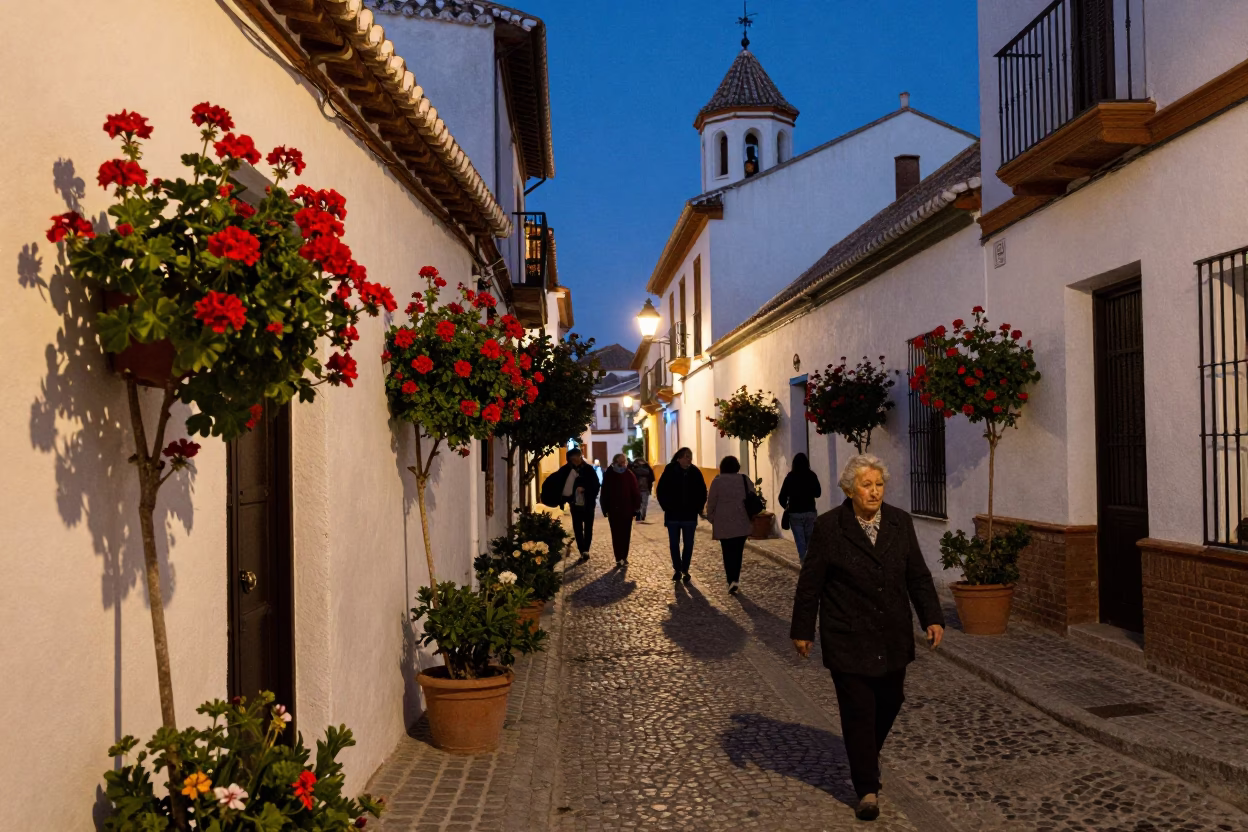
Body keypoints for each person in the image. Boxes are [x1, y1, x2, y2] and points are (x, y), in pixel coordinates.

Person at [789, 454, 945, 822]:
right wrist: (802, 629)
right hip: (847, 634)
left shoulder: (899, 522)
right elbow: (810, 583)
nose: (874, 492)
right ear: (849, 489)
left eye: (879, 485)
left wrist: (932, 617)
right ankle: (866, 789)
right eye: (866, 485)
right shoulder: (830, 528)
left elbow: (918, 576)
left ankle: (864, 753)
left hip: (891, 633)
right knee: (859, 712)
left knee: (891, 699)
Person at [655, 447, 707, 584]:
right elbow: (660, 490)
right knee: (674, 544)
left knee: (689, 544)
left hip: (689, 516)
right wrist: (666, 507)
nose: (688, 459)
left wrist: (698, 507)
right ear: (678, 458)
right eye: (685, 456)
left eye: (689, 456)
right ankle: (677, 569)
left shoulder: (695, 472)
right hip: (673, 516)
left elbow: (702, 492)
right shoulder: (670, 470)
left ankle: (685, 569)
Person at [705, 455, 756, 595]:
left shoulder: (717, 481)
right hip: (742, 521)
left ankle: (731, 580)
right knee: (738, 553)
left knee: (727, 553)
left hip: (723, 523)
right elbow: (753, 495)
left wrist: (712, 518)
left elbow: (711, 502)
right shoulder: (744, 479)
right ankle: (735, 579)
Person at [539, 447, 600, 563]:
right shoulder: (566, 470)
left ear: (580, 457)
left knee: (588, 528)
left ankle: (586, 549)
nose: (575, 461)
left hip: (588, 504)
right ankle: (582, 550)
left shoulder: (588, 470)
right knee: (577, 528)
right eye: (572, 460)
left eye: (576, 458)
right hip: (574, 504)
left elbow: (596, 486)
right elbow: (556, 481)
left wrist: (585, 490)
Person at [778, 452, 823, 563]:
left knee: (800, 541)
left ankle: (804, 564)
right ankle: (811, 564)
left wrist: (787, 506)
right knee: (810, 541)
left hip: (795, 513)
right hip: (810, 512)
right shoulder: (811, 475)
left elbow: (781, 497)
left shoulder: (790, 477)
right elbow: (818, 493)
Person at [600, 454, 641, 568]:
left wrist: (636, 507)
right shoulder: (609, 474)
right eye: (620, 462)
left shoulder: (629, 474)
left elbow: (635, 491)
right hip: (613, 510)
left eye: (624, 462)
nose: (623, 465)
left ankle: (624, 556)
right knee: (616, 534)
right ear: (615, 462)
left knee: (626, 534)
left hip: (627, 509)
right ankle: (618, 557)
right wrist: (605, 509)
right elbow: (604, 492)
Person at [630, 457, 656, 522]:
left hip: (642, 489)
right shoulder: (647, 469)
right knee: (642, 503)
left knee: (641, 503)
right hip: (640, 489)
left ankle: (640, 515)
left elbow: (652, 478)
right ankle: (641, 515)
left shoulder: (633, 469)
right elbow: (652, 478)